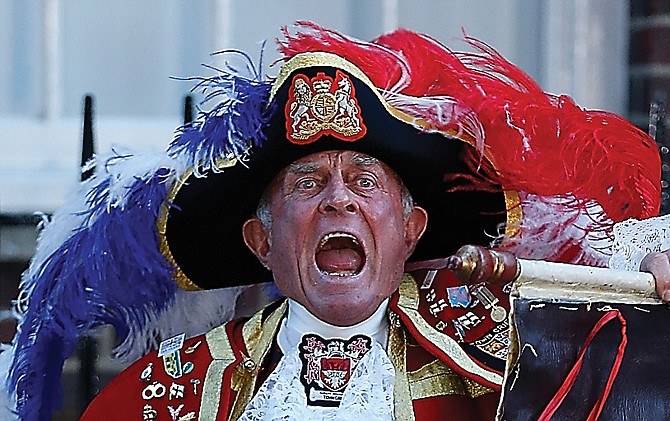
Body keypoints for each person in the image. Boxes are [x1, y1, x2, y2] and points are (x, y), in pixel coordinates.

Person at [6, 23, 666, 421]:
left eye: (365, 180)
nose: (339, 200)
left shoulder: (505, 346)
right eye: (309, 181)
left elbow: (633, 372)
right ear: (261, 242)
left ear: (411, 230)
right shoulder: (170, 392)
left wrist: (651, 276)